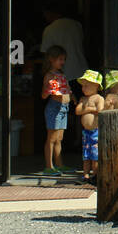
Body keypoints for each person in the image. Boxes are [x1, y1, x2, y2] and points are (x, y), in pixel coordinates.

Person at [41, 46, 72, 175]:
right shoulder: (49, 75)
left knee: (59, 138)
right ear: (51, 60)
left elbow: (68, 89)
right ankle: (49, 166)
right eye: (60, 59)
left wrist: (73, 97)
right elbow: (43, 95)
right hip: (54, 107)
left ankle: (59, 164)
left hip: (64, 108)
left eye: (64, 59)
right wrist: (48, 89)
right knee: (51, 138)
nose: (62, 62)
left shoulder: (62, 75)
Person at [40, 4, 88, 84]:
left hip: (64, 74)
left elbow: (45, 53)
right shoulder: (77, 25)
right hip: (82, 70)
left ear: (50, 13)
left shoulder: (50, 29)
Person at [75, 69, 106, 183]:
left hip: (95, 131)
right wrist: (87, 109)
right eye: (83, 86)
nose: (84, 88)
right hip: (86, 132)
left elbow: (100, 110)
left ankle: (95, 175)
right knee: (86, 155)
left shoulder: (98, 98)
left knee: (95, 156)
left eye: (87, 86)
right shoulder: (83, 99)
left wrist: (87, 109)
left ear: (96, 86)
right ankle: (86, 175)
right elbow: (77, 111)